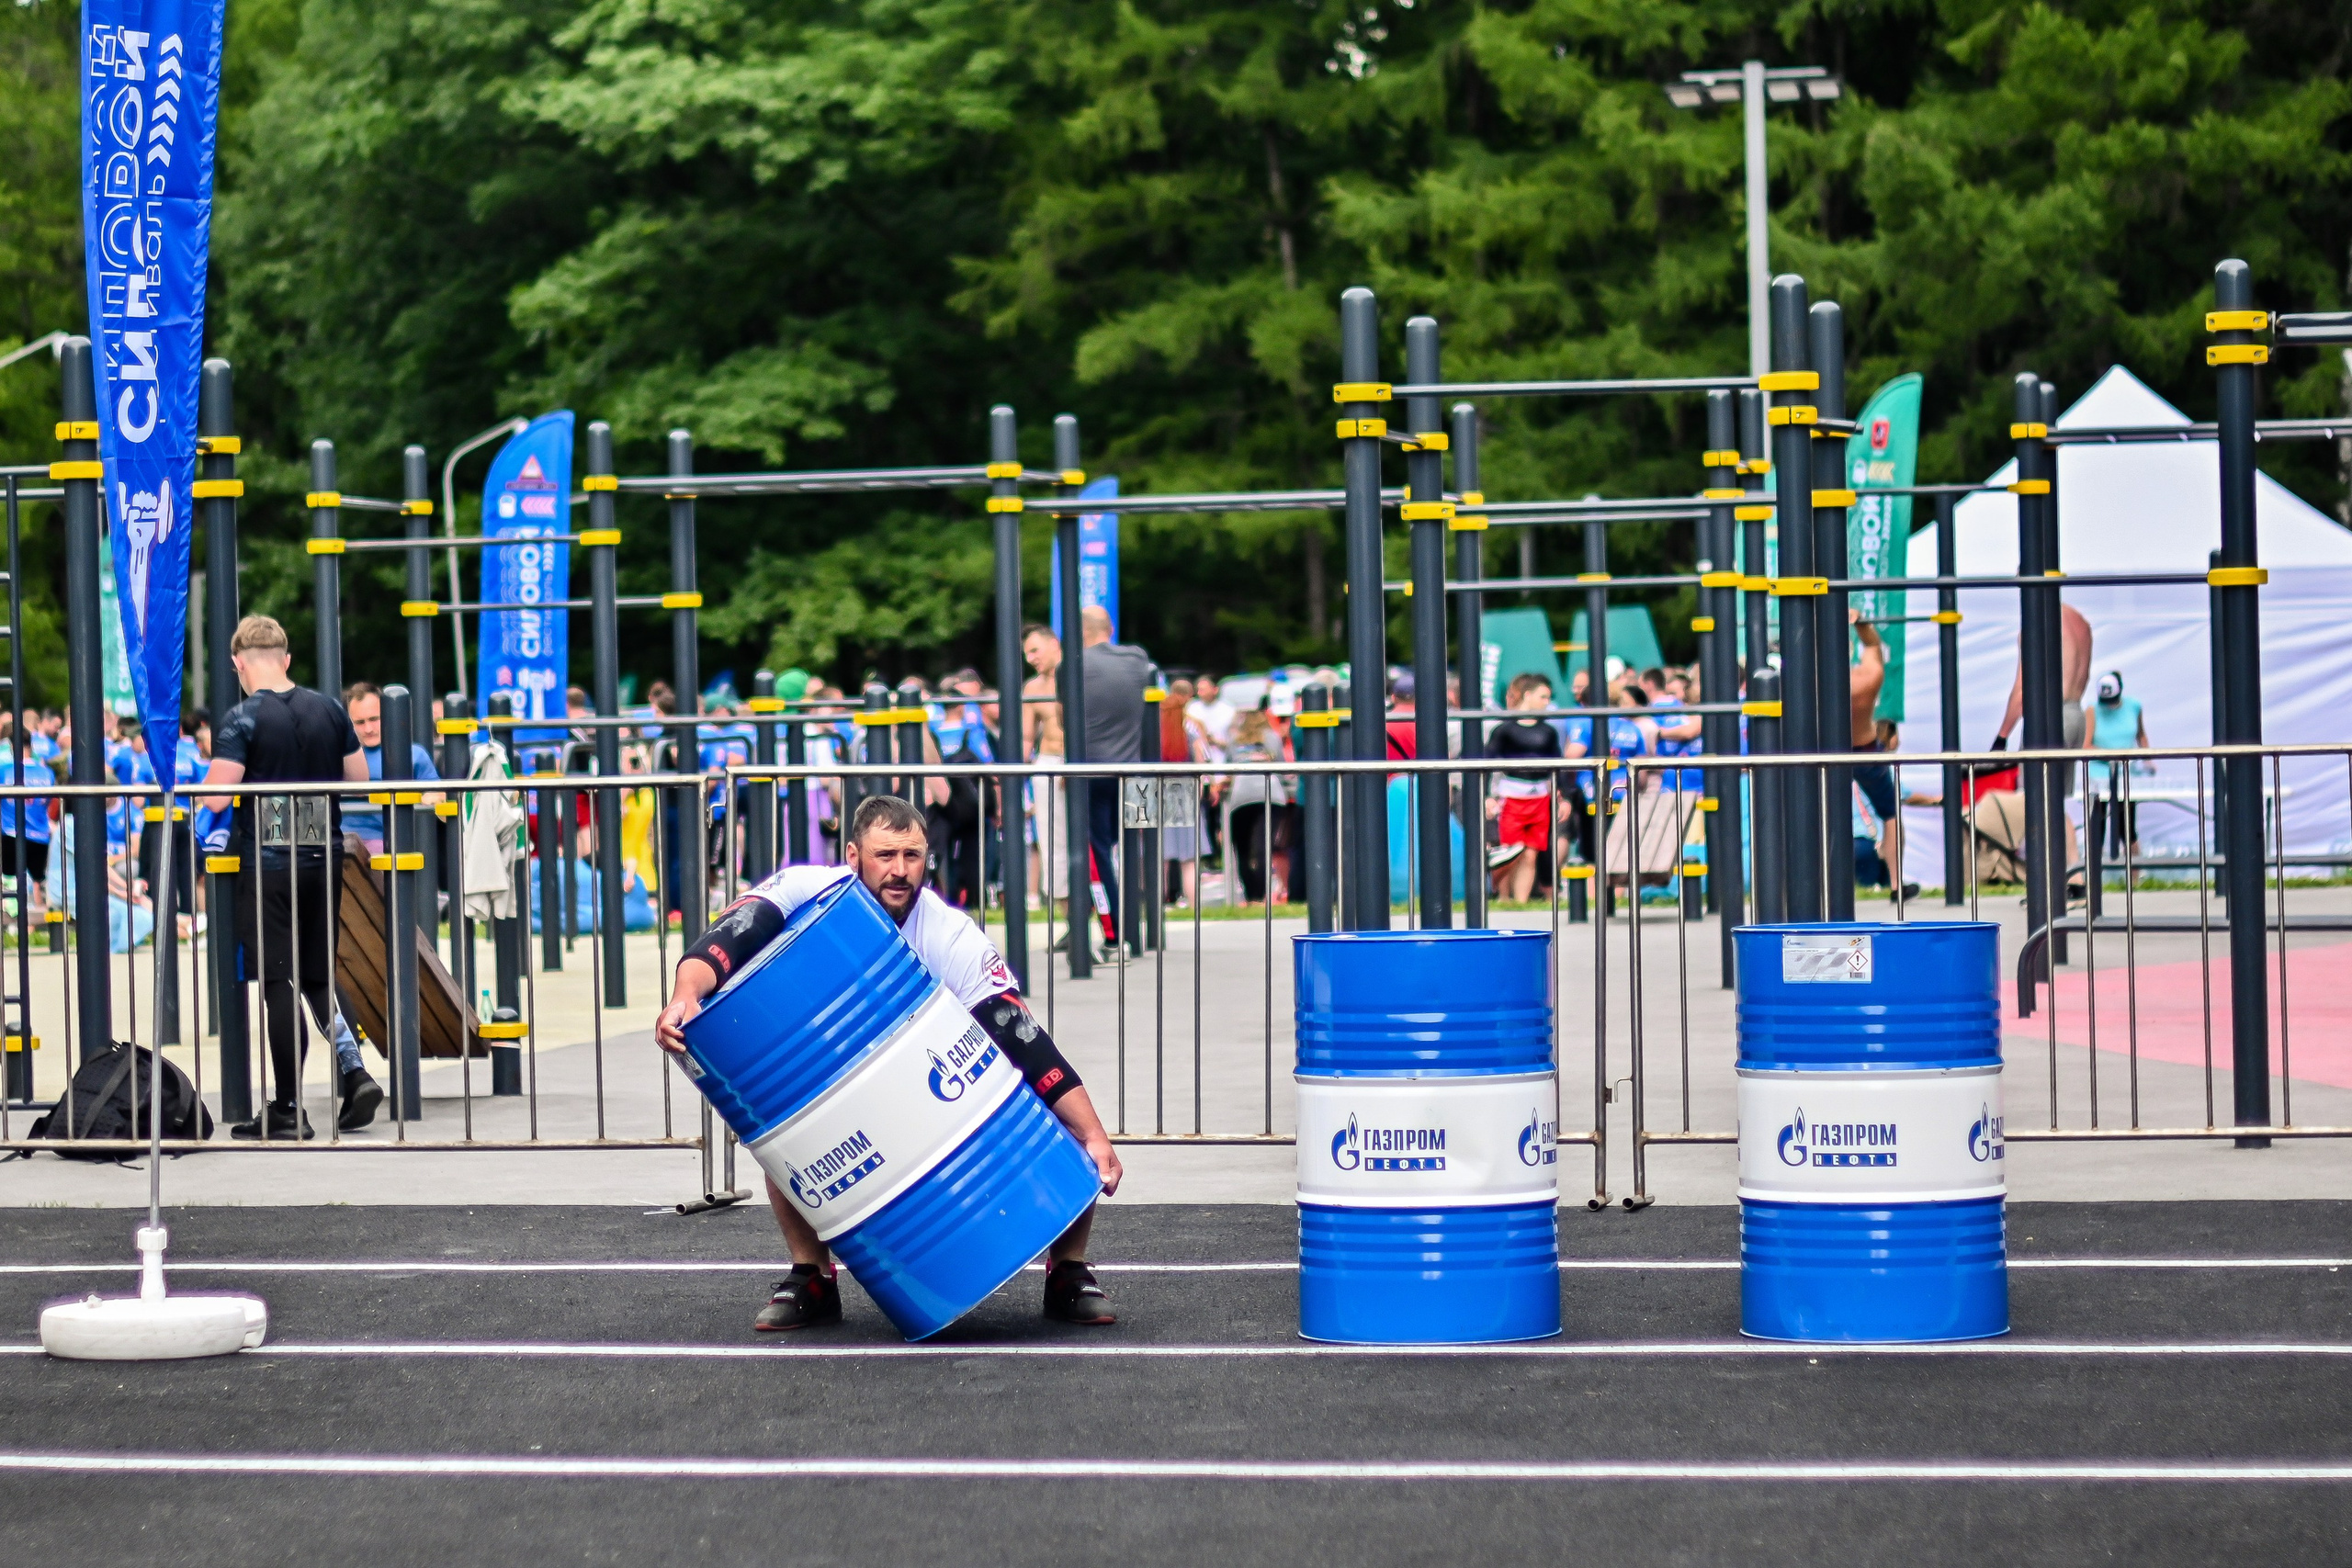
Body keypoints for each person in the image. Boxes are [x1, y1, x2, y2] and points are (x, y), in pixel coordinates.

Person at [655, 793, 1123, 1332]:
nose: (900, 871)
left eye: (912, 856)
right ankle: (812, 1276)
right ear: (853, 856)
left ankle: (1068, 1270)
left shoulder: (949, 934)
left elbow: (1020, 1034)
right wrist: (685, 994)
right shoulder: (806, 888)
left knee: (1055, 1109)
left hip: (923, 1084)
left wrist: (1093, 1133)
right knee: (788, 1128)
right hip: (836, 1075)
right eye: (885, 856)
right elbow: (726, 938)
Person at [199, 615, 384, 1138]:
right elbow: (359, 778)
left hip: (270, 862)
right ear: (285, 658)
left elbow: (215, 796)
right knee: (320, 974)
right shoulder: (329, 708)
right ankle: (355, 1073)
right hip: (323, 855)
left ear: (239, 664)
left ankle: (286, 1108)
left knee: (280, 981)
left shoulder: (242, 719)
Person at [1080, 605, 1151, 946]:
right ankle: (1143, 930)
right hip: (1136, 772)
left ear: (1083, 631)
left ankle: (1115, 932)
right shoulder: (1138, 659)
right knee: (1138, 848)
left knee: (1097, 851)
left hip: (1094, 770)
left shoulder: (1076, 665)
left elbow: (1068, 719)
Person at [1845, 613, 1916, 897]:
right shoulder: (1866, 678)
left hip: (1823, 751)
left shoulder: (1811, 680)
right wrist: (1861, 623)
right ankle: (1896, 885)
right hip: (1863, 750)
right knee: (1890, 814)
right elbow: (1873, 646)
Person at [340, 682, 445, 855]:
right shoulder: (338, 753)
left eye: (374, 719)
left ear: (388, 714)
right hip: (342, 842)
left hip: (390, 845)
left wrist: (430, 797)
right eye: (360, 722)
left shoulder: (414, 754)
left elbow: (438, 795)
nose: (368, 729)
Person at [1486, 672, 1564, 903]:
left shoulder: (1548, 731)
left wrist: (1563, 796)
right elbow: (1487, 763)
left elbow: (1557, 766)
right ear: (1527, 695)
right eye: (1543, 697)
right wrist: (1488, 796)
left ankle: (1521, 900)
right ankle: (1503, 897)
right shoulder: (1504, 730)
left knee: (1531, 853)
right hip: (1511, 796)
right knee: (1510, 850)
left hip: (1540, 796)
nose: (1546, 703)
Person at [1996, 602, 2094, 752]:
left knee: (2034, 775)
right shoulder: (2080, 621)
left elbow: (2023, 689)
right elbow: (2085, 675)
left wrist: (2001, 738)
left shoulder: (2039, 620)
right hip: (2076, 716)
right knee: (2062, 776)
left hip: (2049, 719)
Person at [2085, 671, 2152, 856]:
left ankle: (2134, 880)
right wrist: (2110, 757)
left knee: (2127, 828)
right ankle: (2092, 879)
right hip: (2098, 775)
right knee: (2098, 827)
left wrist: (2148, 759)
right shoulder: (2092, 710)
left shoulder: (2134, 706)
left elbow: (2141, 734)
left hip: (2126, 775)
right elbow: (2086, 745)